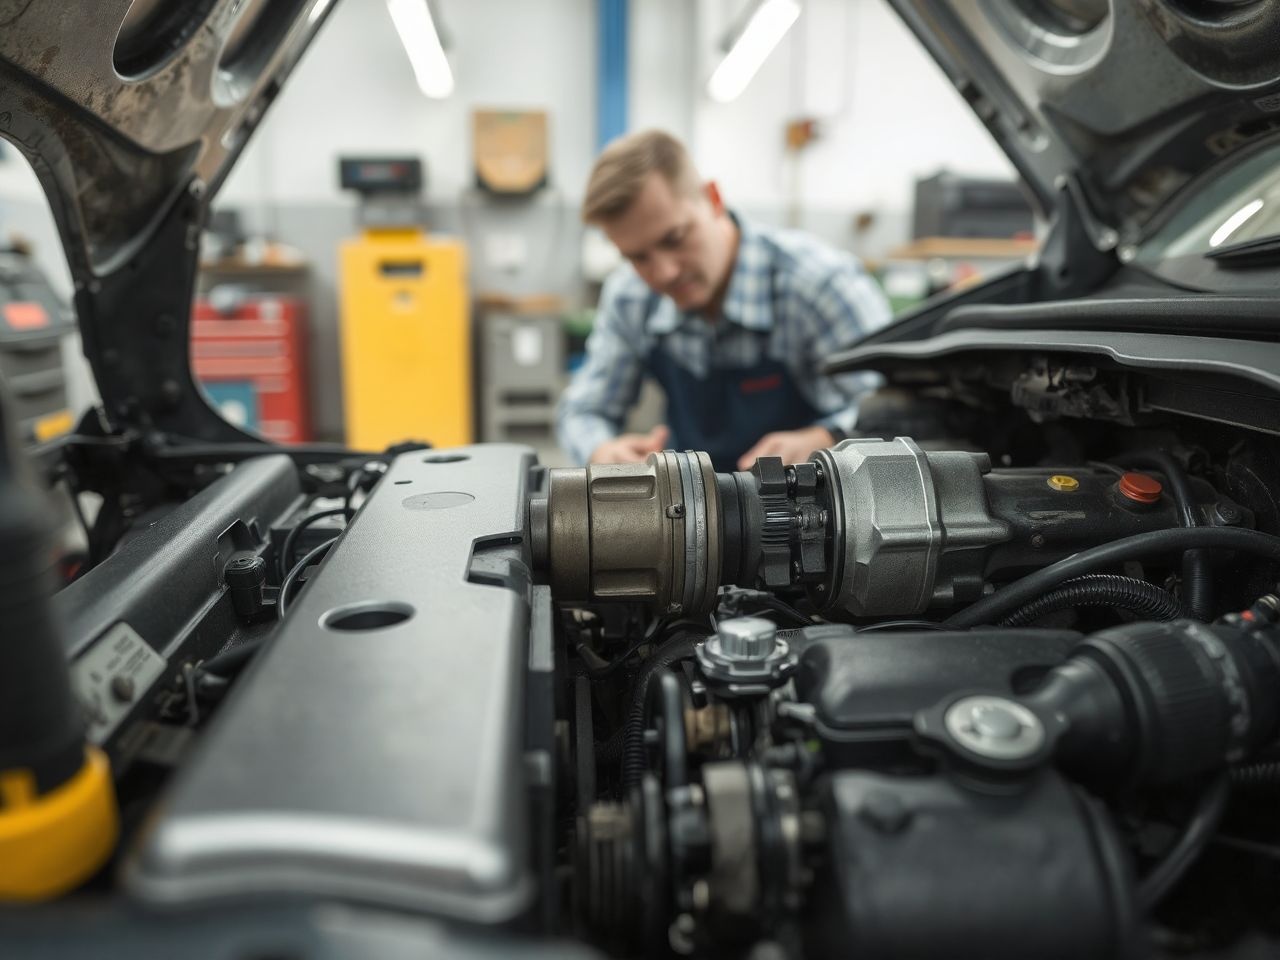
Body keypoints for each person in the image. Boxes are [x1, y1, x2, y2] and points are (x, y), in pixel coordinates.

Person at [556, 129, 892, 472]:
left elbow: (900, 410)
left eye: (674, 239)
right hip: (689, 511)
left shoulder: (819, 285)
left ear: (713, 198)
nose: (664, 273)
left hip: (811, 512)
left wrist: (827, 439)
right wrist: (601, 450)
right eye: (638, 258)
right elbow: (583, 411)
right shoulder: (632, 298)